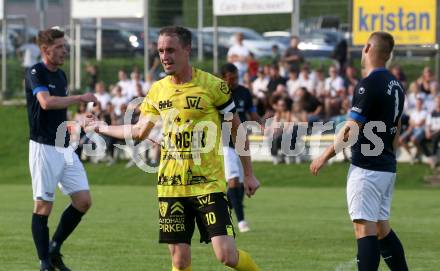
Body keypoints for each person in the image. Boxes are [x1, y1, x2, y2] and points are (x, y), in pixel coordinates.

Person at [85, 26, 261, 271]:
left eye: (170, 50)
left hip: (207, 183)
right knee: (179, 260)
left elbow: (237, 130)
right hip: (171, 185)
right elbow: (138, 131)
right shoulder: (158, 90)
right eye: (160, 51)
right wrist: (101, 127)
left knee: (226, 255)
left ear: (187, 49)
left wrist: (249, 173)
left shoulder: (214, 86)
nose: (165, 56)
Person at [310, 32, 408, 271]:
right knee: (382, 229)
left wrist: (325, 155)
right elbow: (397, 128)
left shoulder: (369, 84)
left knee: (364, 230)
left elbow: (351, 130)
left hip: (367, 169)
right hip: (386, 166)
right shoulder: (396, 85)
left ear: (367, 48)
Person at [25, 28, 97, 271]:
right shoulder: (36, 72)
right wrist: (79, 98)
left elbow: (59, 112)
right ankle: (44, 262)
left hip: (63, 147)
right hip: (43, 147)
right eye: (58, 47)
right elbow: (46, 103)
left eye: (64, 46)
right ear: (45, 50)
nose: (64, 51)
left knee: (83, 200)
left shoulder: (62, 75)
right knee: (43, 206)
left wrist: (77, 124)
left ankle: (54, 249)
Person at [221, 63, 261, 233]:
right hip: (224, 142)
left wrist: (263, 124)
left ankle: (223, 208)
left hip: (242, 142)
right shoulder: (219, 93)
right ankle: (241, 220)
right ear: (223, 78)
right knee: (234, 181)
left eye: (236, 78)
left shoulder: (244, 92)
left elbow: (252, 114)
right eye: (231, 79)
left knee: (239, 184)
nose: (234, 82)